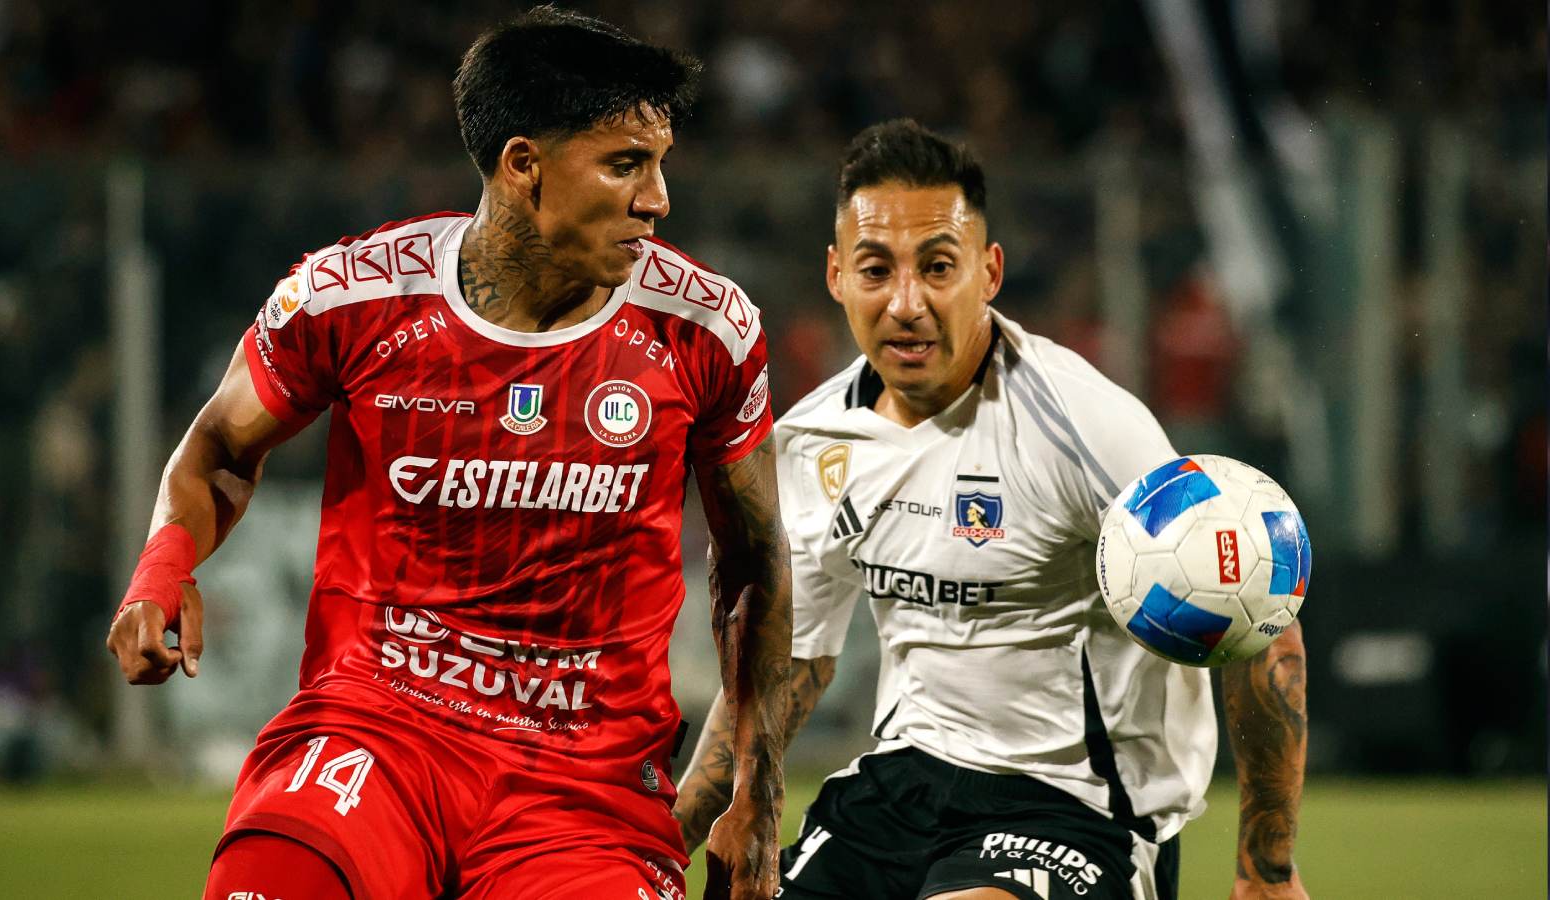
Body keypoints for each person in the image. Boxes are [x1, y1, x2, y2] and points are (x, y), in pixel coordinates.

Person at [104, 9, 790, 900]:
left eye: (660, 165)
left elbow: (756, 566)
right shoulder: (351, 298)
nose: (658, 199)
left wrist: (755, 795)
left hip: (581, 790)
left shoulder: (705, 330)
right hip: (375, 737)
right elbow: (218, 448)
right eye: (625, 165)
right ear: (523, 167)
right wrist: (163, 566)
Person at [672, 120, 1308, 900]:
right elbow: (795, 655)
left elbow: (1256, 616)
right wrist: (705, 815)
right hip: (902, 785)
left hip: (1077, 807)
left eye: (938, 267)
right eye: (876, 270)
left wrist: (1266, 873)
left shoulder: (1086, 427)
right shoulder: (811, 444)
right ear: (836, 275)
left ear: (990, 271)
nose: (907, 303)